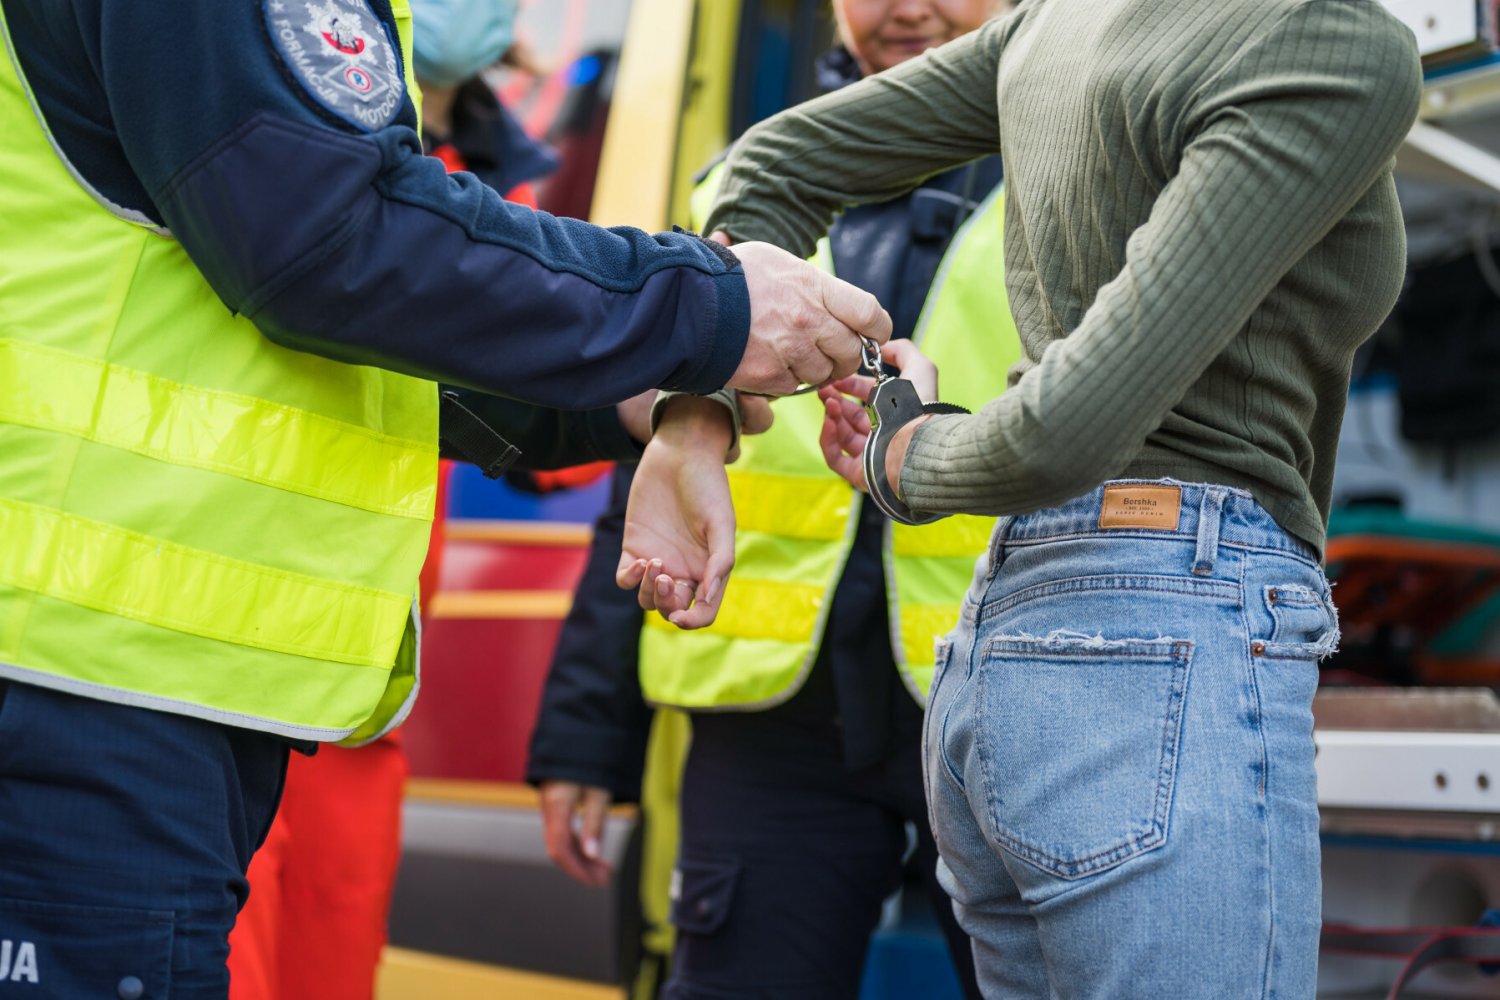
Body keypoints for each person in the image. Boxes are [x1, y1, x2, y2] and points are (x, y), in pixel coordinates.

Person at [0, 0, 890, 994]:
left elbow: (286, 299)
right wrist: (707, 303)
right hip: (73, 669)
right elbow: (326, 238)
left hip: (103, 660)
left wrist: (629, 401)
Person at [700, 0, 1424, 996]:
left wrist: (739, 374)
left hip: (1011, 642)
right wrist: (905, 456)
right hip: (1169, 633)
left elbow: (767, 167)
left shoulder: (1047, 26)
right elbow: (1066, 431)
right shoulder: (1326, 35)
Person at [530, 4, 1012, 997]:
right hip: (781, 724)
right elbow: (656, 467)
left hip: (1019, 697)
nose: (911, 7)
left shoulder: (1091, 158)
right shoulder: (742, 182)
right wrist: (586, 733)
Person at [225, 7, 558, 997]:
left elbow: (553, 429)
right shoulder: (281, 119)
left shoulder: (503, 175)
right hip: (210, 665)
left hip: (359, 693)